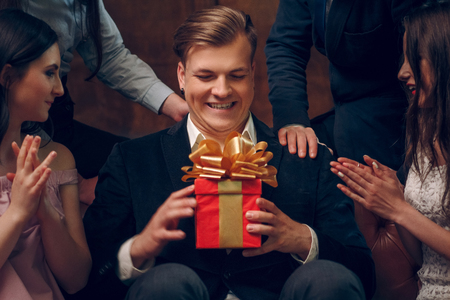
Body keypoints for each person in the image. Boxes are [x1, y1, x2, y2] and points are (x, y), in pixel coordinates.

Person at [80, 6, 375, 300]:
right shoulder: (131, 161)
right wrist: (138, 250)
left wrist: (303, 239)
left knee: (328, 278)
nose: (221, 91)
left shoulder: (308, 159)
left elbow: (362, 275)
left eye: (236, 75)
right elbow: (89, 282)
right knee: (165, 283)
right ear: (182, 76)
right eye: (206, 76)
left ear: (252, 74)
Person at [330, 2, 450, 299]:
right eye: (403, 59)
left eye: (415, 58)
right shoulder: (424, 134)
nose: (401, 72)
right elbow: (422, 259)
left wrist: (400, 210)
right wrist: (394, 200)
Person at [0, 0, 189, 179]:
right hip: (15, 115)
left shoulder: (61, 156)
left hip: (54, 118)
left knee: (138, 162)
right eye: (49, 72)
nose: (60, 90)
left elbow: (111, 55)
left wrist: (175, 106)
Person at [265, 0, 424, 168]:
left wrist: (405, 178)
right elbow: (286, 46)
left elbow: (431, 59)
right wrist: (292, 120)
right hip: (341, 119)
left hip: (399, 127)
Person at [0, 8, 91, 299]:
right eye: (50, 73)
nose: (60, 89)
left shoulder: (58, 159)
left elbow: (77, 280)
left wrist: (46, 211)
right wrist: (18, 212)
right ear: (7, 76)